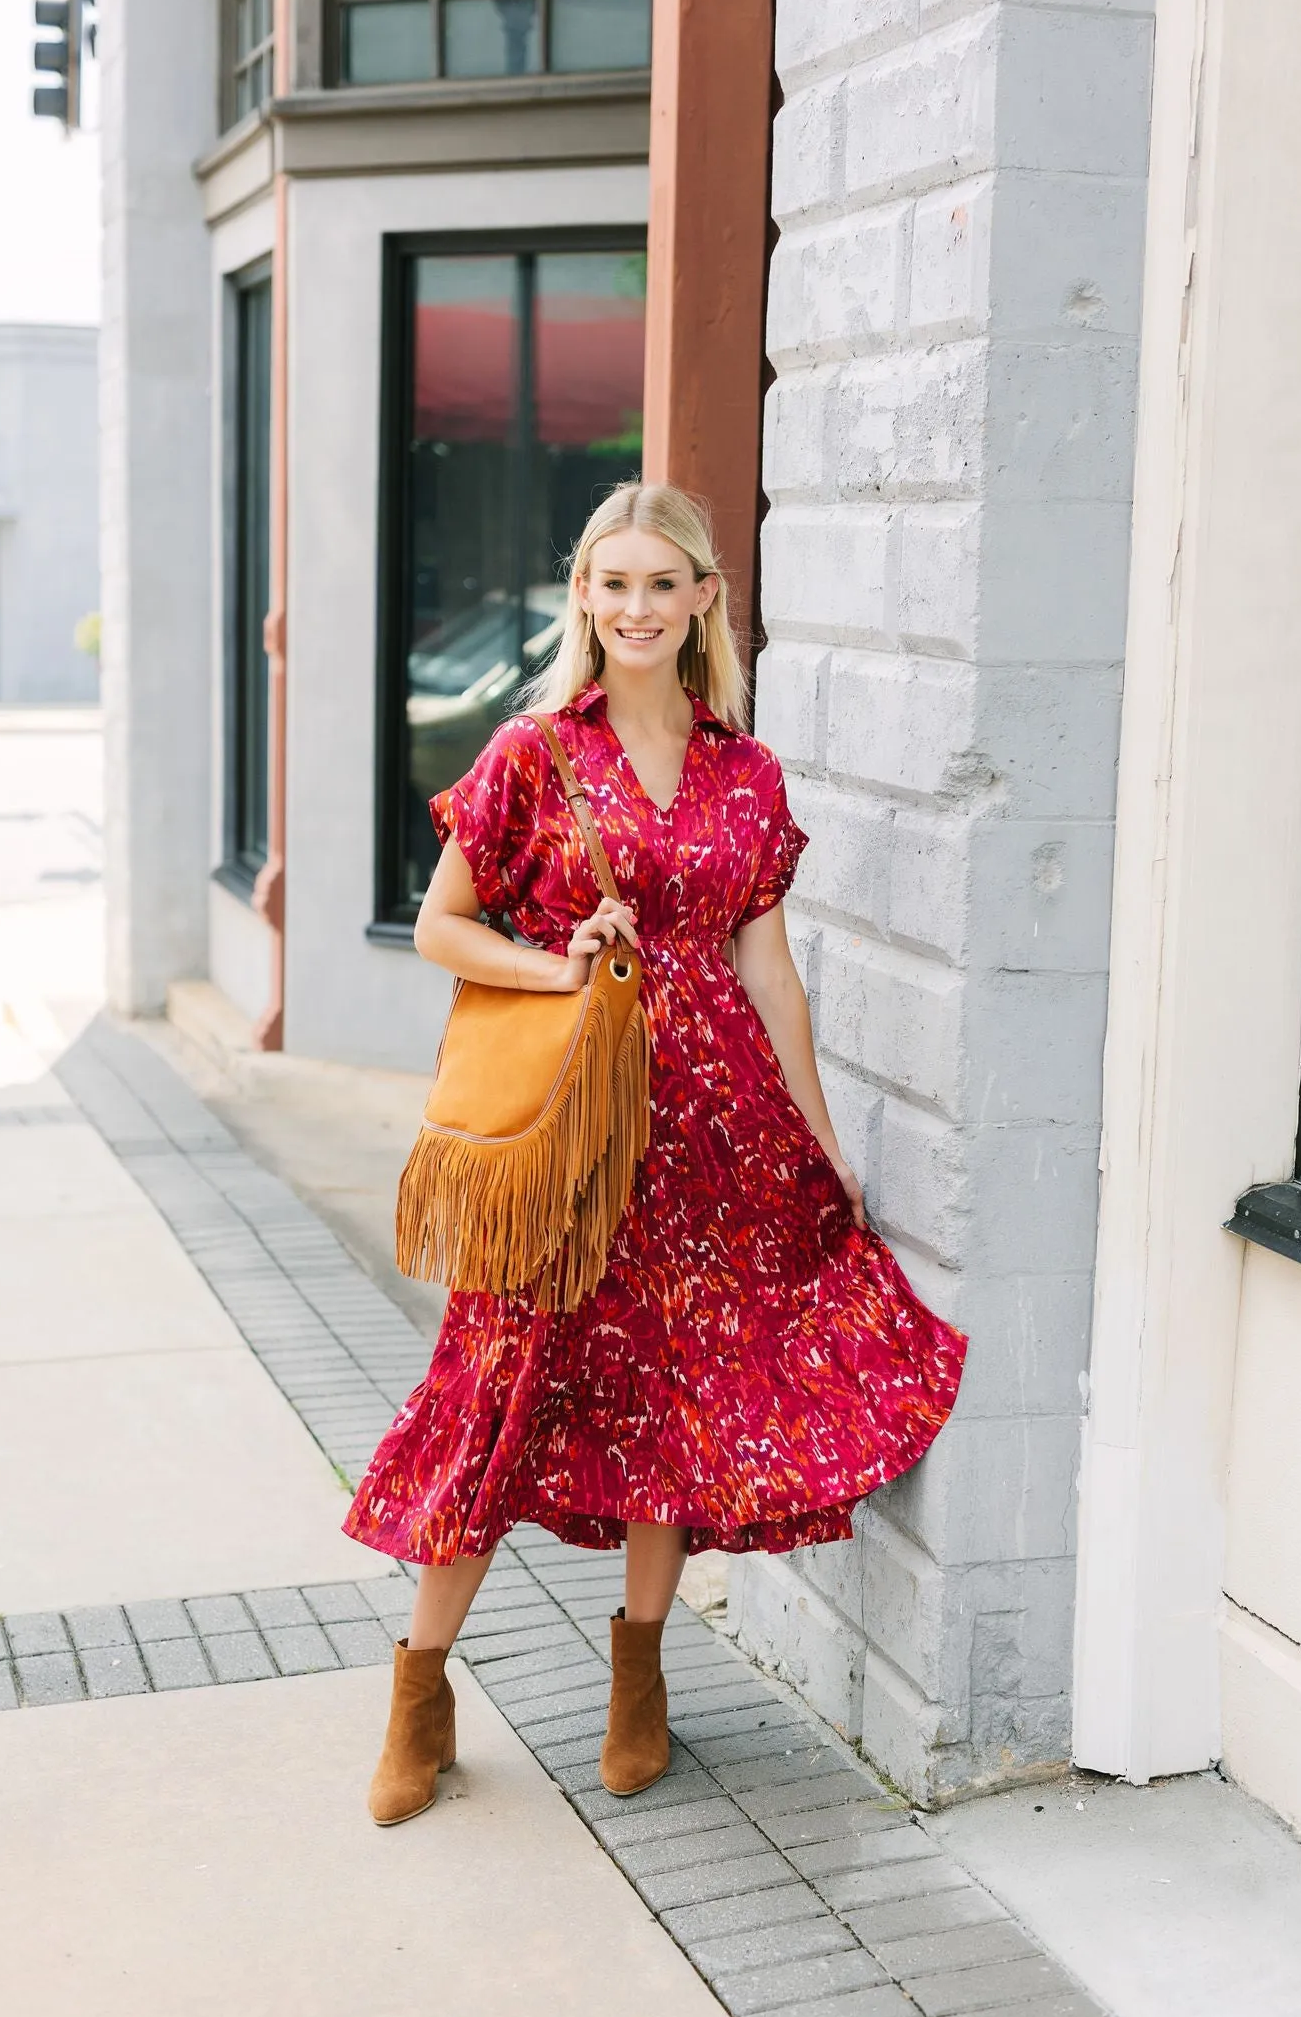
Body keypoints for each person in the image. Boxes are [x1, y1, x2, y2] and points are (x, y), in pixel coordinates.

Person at [345, 481, 967, 1825]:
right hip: (577, 1148)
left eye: (659, 584)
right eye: (610, 583)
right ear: (586, 596)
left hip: (719, 1143)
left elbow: (770, 970)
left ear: (702, 604)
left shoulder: (748, 770)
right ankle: (419, 1690)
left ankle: (640, 1681)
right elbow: (445, 927)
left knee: (677, 1410)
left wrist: (816, 1137)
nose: (634, 607)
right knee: (494, 1400)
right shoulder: (529, 752)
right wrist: (558, 969)